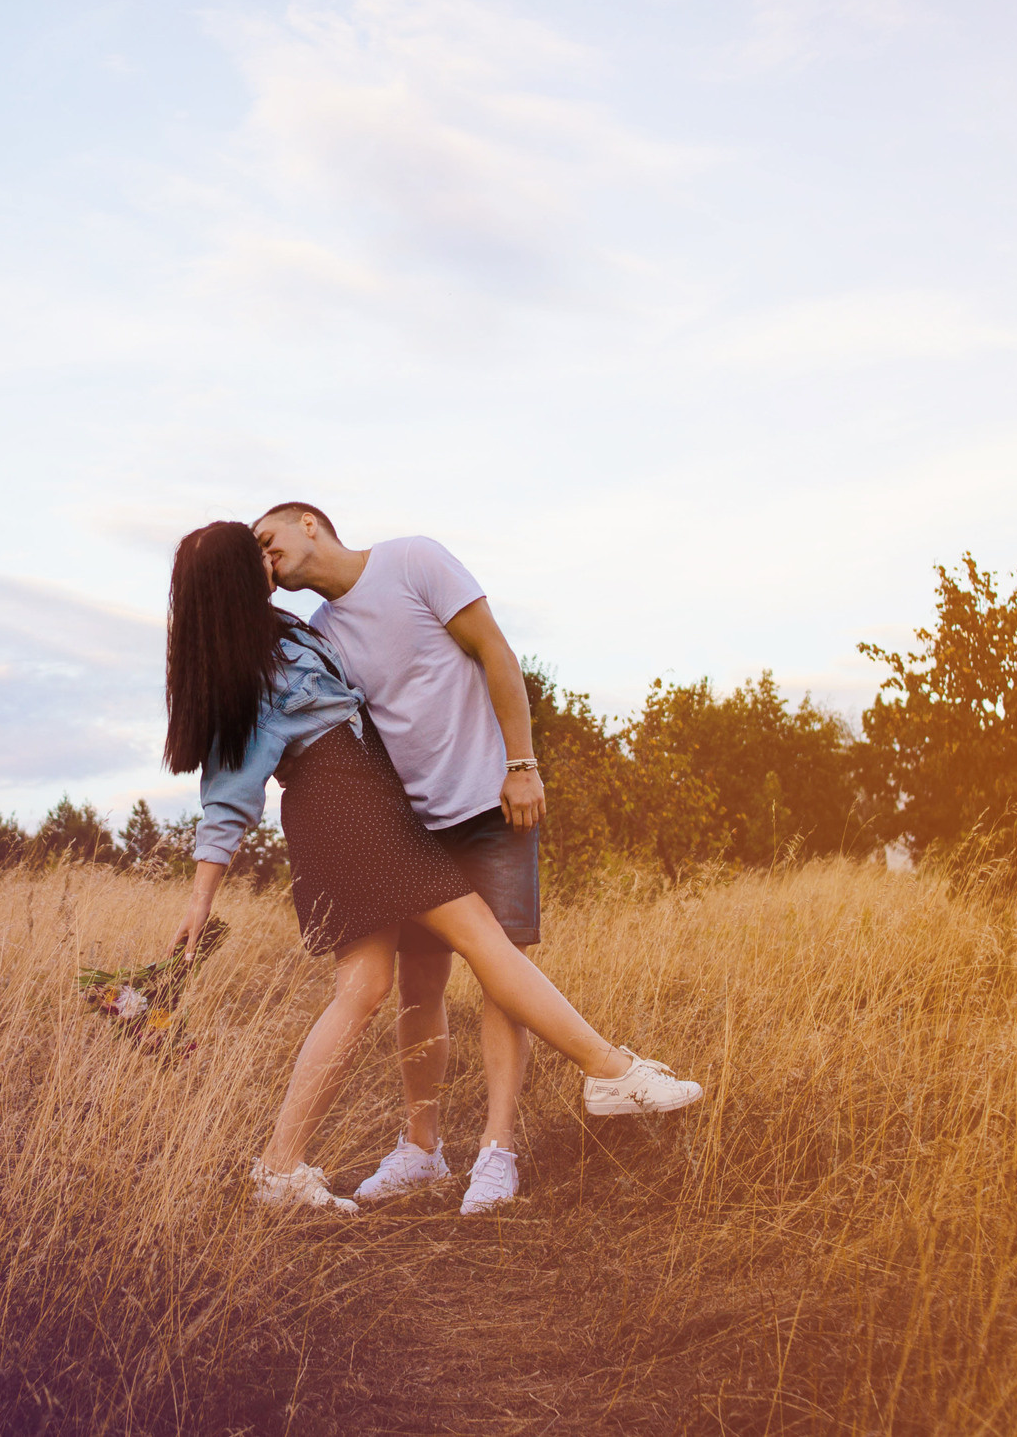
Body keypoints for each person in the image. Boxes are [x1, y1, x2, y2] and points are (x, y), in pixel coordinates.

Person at [166, 520, 701, 1217]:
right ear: (232, 580)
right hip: (348, 813)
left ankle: (279, 1164)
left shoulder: (285, 634)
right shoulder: (248, 672)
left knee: (362, 989)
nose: (266, 563)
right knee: (480, 936)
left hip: (363, 807)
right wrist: (200, 895)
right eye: (253, 557)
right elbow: (228, 798)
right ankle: (609, 1069)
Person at [253, 502, 547, 1216]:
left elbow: (496, 651)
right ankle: (423, 1147)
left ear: (309, 523)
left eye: (268, 539)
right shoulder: (318, 635)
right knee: (418, 989)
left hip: (489, 801)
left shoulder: (413, 560)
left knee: (501, 975)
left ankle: (497, 1151)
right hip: (412, 827)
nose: (264, 557)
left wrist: (522, 762)